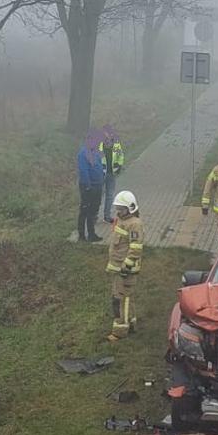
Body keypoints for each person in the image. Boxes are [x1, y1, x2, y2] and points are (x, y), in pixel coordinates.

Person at [105, 191, 144, 341]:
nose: (118, 211)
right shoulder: (121, 221)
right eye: (117, 208)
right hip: (119, 268)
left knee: (121, 300)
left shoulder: (135, 224)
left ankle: (120, 331)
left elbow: (135, 248)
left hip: (126, 270)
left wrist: (126, 267)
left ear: (130, 208)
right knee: (126, 297)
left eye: (121, 209)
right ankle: (131, 323)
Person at [76, 135, 107, 242]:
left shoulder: (96, 152)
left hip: (98, 186)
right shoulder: (82, 154)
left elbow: (100, 166)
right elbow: (83, 171)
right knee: (84, 211)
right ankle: (81, 235)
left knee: (93, 211)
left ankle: (91, 234)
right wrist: (88, 186)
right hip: (88, 187)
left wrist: (102, 179)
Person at [98, 126, 125, 222]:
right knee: (98, 195)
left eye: (108, 134)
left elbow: (120, 156)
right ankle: (94, 216)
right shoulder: (99, 146)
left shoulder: (116, 145)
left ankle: (107, 216)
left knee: (109, 196)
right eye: (104, 134)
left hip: (111, 174)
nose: (106, 136)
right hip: (100, 174)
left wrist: (119, 165)